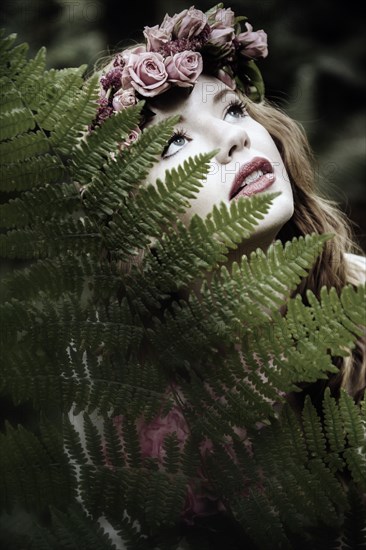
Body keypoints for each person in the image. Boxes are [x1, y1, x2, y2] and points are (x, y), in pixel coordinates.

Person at [74, 4, 366, 546]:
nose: (234, 139)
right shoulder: (121, 411)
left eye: (232, 111)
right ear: (134, 221)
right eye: (175, 143)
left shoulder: (360, 296)